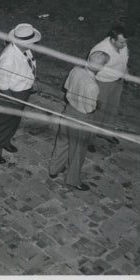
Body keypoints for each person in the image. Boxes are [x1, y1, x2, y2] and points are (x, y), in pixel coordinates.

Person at [48, 51, 110, 191]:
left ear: (88, 60)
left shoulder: (75, 70)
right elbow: (90, 109)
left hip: (68, 111)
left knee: (62, 143)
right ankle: (72, 180)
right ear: (101, 67)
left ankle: (54, 169)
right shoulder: (93, 86)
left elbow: (66, 87)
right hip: (81, 118)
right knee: (78, 151)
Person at [0, 23, 40, 164]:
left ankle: (5, 140)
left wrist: (31, 82)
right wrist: (11, 101)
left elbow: (28, 66)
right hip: (9, 95)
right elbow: (2, 84)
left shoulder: (25, 50)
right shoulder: (8, 58)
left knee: (14, 120)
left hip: (22, 92)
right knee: (3, 122)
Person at [88, 27, 129, 147]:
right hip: (103, 83)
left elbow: (124, 60)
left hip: (117, 82)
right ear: (112, 40)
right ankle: (89, 139)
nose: (125, 44)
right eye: (122, 42)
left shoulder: (122, 44)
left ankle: (105, 132)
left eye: (126, 42)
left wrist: (126, 72)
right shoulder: (100, 50)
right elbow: (91, 69)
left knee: (112, 109)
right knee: (98, 111)